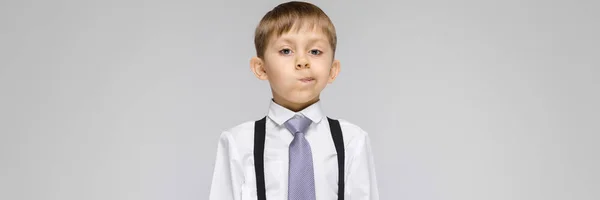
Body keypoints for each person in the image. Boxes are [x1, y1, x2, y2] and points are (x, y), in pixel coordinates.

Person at [209, 1, 379, 199]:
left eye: (315, 51)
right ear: (261, 68)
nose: (302, 61)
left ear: (333, 70)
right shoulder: (238, 142)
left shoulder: (352, 140)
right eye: (286, 51)